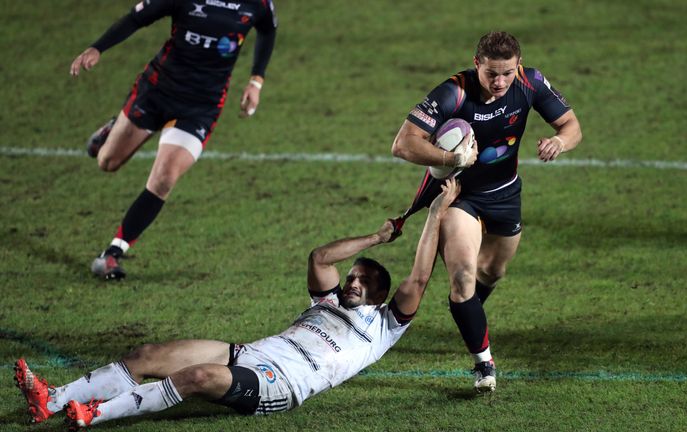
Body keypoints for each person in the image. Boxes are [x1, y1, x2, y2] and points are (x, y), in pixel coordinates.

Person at [13, 180, 462, 428]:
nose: (352, 283)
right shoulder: (326, 301)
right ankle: (51, 401)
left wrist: (439, 211)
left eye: (362, 281)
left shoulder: (385, 326)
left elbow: (420, 276)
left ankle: (94, 414)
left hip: (281, 384)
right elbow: (321, 257)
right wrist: (377, 237)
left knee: (197, 377)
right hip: (251, 353)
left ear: (381, 295)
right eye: (353, 277)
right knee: (147, 355)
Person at [391, 31, 582, 393]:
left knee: (493, 271)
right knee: (463, 278)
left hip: (506, 195)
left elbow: (572, 126)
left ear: (518, 66)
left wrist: (559, 141)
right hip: (460, 196)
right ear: (476, 63)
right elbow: (403, 144)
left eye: (507, 73)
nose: (499, 82)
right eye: (491, 73)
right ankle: (484, 364)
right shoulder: (454, 92)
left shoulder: (530, 82)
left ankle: (468, 316)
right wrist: (452, 158)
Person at [70, 0, 278, 280]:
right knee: (107, 162)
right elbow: (136, 18)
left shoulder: (258, 3)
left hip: (201, 107)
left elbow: (267, 30)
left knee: (165, 177)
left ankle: (112, 253)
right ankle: (114, 127)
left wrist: (256, 80)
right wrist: (97, 47)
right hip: (157, 91)